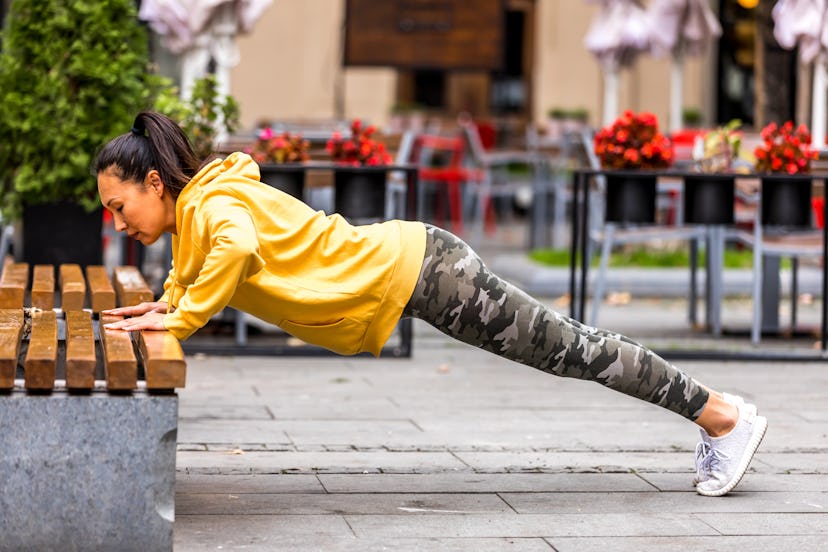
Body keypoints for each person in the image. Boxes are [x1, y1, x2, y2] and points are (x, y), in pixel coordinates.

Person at [96, 112, 767, 497]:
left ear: (155, 182)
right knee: (571, 348)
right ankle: (721, 415)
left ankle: (722, 417)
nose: (118, 222)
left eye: (119, 206)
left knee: (573, 350)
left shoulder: (212, 206)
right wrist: (164, 310)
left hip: (427, 272)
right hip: (419, 267)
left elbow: (234, 251)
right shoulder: (198, 216)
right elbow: (192, 278)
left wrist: (178, 317)